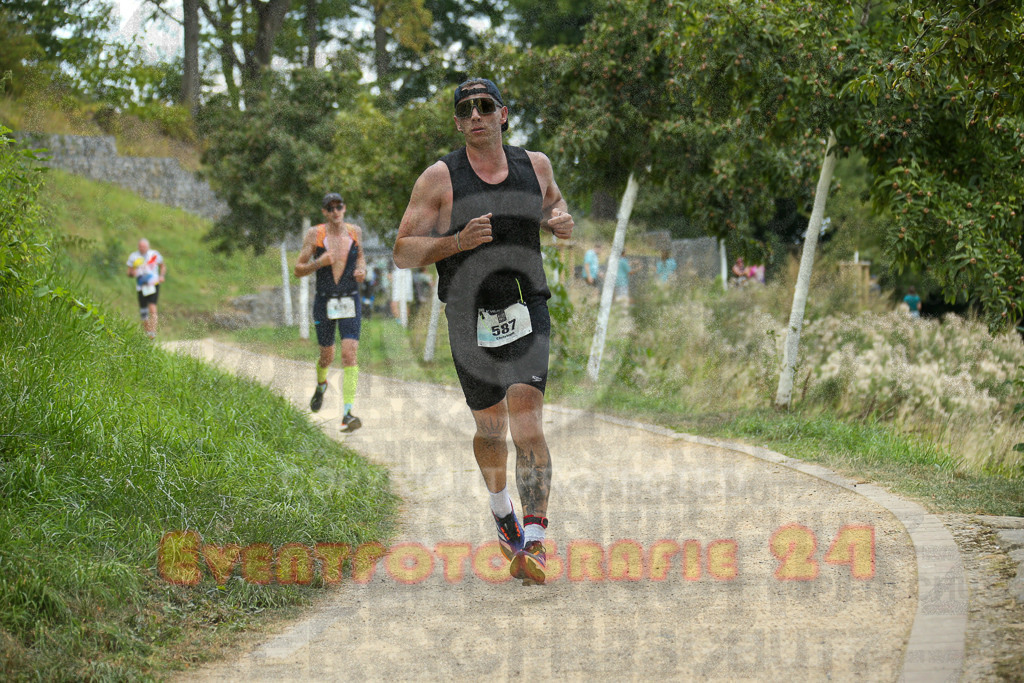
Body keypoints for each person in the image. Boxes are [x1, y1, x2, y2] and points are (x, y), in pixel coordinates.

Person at [394, 77, 574, 585]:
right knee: (491, 430)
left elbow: (551, 204)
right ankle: (502, 512)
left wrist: (556, 221)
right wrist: (456, 242)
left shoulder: (535, 165)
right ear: (458, 122)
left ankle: (534, 540)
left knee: (527, 423)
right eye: (466, 109)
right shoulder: (439, 179)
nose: (476, 115)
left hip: (525, 306)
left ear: (503, 114)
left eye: (485, 106)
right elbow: (403, 251)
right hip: (467, 316)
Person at [294, 192, 367, 433]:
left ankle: (347, 413)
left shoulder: (355, 231)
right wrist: (319, 263)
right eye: (331, 208)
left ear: (344, 208)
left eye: (339, 207)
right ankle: (321, 384)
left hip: (350, 299)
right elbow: (298, 269)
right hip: (325, 301)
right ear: (324, 212)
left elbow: (361, 259)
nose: (336, 211)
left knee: (349, 353)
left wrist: (361, 271)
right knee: (327, 355)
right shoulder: (315, 234)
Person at [126, 238, 166, 340]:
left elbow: (162, 266)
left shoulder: (154, 254)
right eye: (140, 246)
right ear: (138, 247)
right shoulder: (133, 257)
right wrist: (132, 273)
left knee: (152, 306)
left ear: (148, 246)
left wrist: (161, 276)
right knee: (143, 311)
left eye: (144, 246)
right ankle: (148, 333)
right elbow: (129, 272)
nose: (142, 248)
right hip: (141, 286)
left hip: (153, 284)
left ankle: (153, 332)